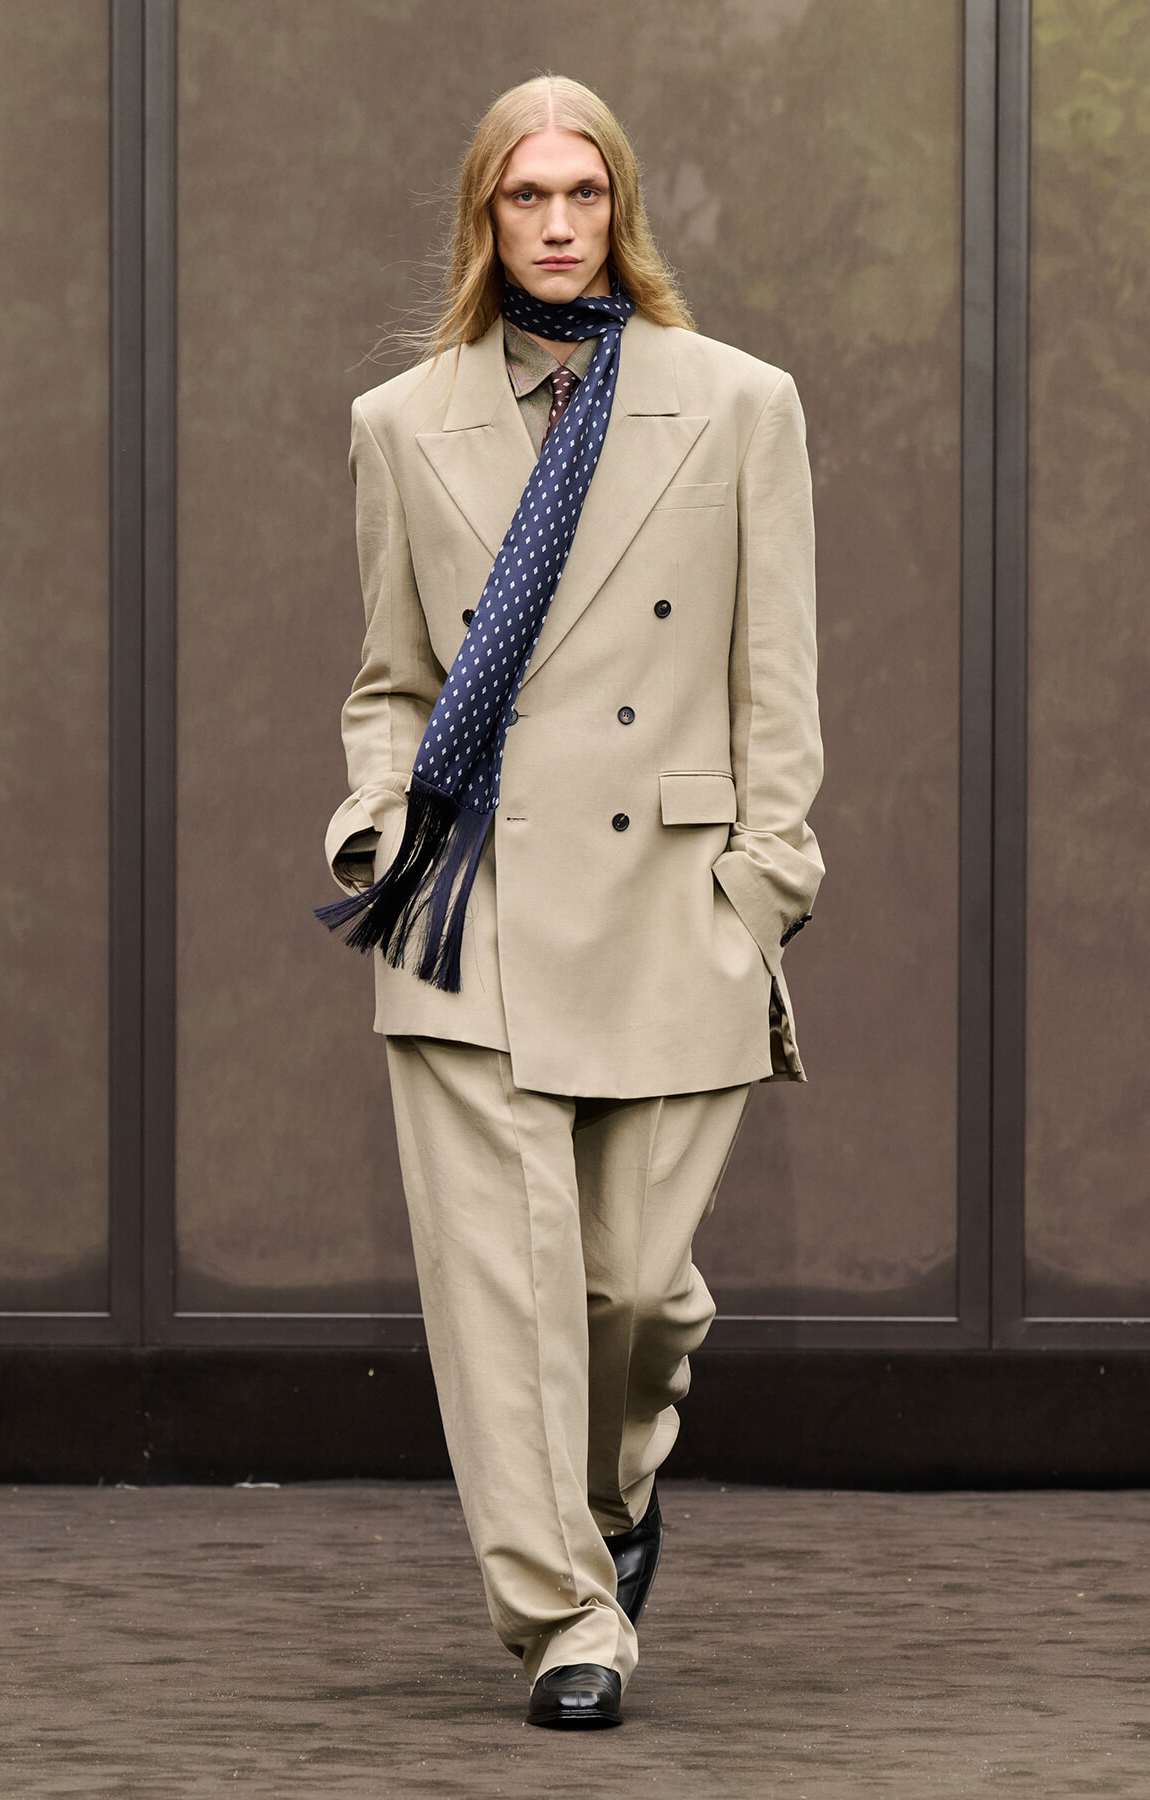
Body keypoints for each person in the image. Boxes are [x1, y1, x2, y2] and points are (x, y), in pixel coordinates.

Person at [319, 74, 823, 1729]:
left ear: (620, 211)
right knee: (501, 1299)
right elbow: (394, 678)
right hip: (465, 913)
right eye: (523, 198)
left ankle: (613, 1495)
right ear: (485, 214)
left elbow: (778, 683)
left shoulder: (741, 404)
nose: (553, 224)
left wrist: (765, 884)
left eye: (581, 196)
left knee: (628, 1294)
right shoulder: (403, 425)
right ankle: (566, 1620)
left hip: (676, 899)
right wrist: (378, 818)